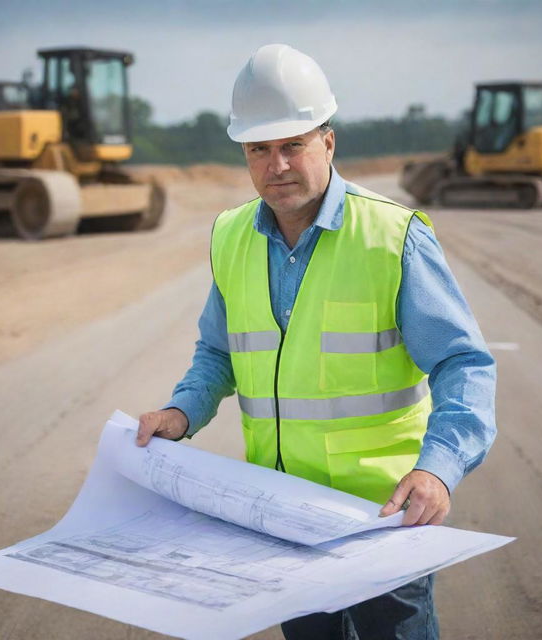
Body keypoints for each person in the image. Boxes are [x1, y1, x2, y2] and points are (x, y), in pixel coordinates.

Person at [137, 44, 496, 640]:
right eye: (259, 149)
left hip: (384, 520)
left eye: (292, 145)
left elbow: (464, 363)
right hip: (282, 522)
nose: (276, 165)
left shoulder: (392, 235)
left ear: (328, 142)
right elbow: (218, 352)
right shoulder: (230, 235)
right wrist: (182, 412)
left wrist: (439, 469)